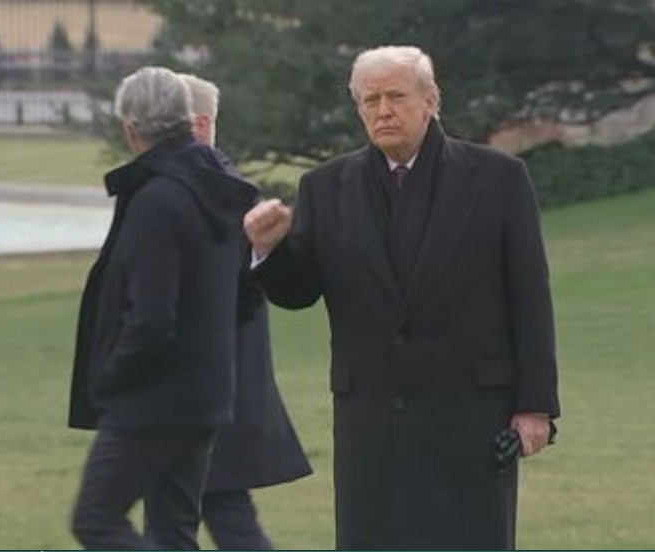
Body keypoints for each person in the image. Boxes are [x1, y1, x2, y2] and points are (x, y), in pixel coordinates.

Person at [243, 46, 561, 550]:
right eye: (370, 101)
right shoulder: (326, 187)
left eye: (395, 96)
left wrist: (535, 407)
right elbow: (300, 292)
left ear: (430, 100)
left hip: (469, 416)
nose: (383, 111)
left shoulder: (499, 178)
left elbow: (530, 299)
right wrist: (268, 250)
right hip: (371, 422)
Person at [66, 66, 258, 550]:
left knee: (95, 520)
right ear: (187, 119)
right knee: (173, 532)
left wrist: (109, 376)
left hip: (152, 399)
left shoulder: (157, 199)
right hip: (206, 394)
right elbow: (245, 294)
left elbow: (151, 318)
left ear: (130, 129)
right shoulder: (219, 187)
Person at [143, 73, 312, 550]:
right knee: (206, 518)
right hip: (205, 394)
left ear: (198, 125)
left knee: (196, 522)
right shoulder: (213, 194)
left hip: (200, 396)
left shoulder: (215, 199)